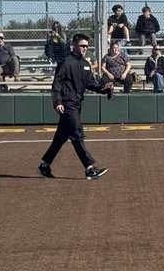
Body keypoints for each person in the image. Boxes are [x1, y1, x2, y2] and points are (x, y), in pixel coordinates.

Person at [37, 33, 110, 180]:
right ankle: (89, 168)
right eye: (82, 46)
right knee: (77, 134)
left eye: (87, 46)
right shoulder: (66, 62)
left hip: (76, 104)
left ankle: (44, 165)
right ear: (75, 45)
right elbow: (57, 84)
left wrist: (104, 89)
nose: (85, 48)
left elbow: (90, 83)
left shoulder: (85, 64)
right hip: (67, 104)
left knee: (61, 137)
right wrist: (58, 102)